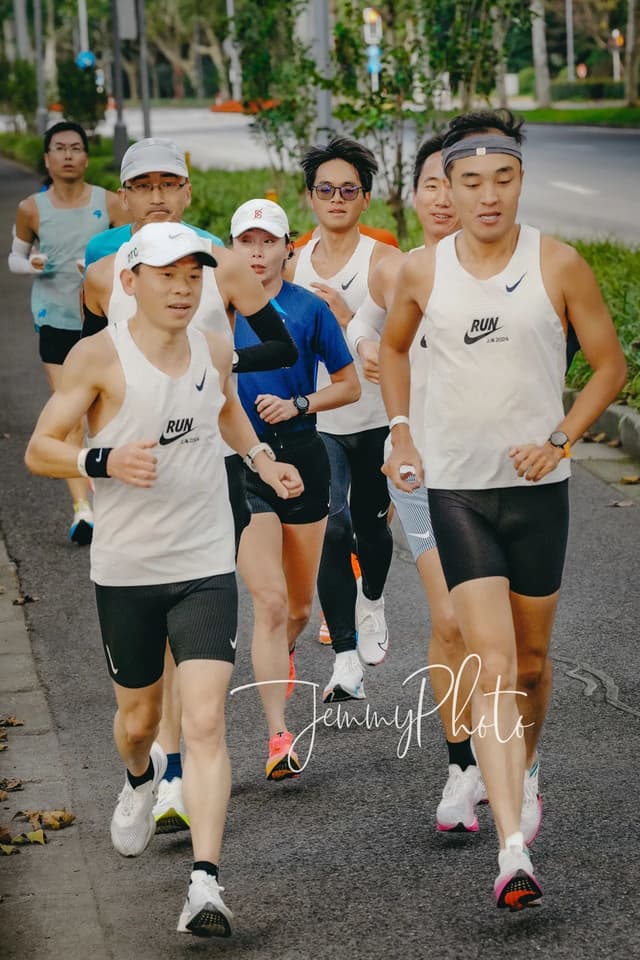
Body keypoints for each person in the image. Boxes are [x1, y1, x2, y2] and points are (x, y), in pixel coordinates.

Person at [24, 222, 304, 937]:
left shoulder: (214, 349)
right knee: (139, 720)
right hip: (126, 570)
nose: (183, 288)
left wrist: (264, 460)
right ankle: (140, 779)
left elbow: (230, 417)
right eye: (167, 275)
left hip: (205, 559)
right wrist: (103, 462)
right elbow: (40, 448)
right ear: (131, 283)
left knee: (207, 718)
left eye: (193, 276)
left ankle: (205, 884)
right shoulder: (98, 357)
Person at [379, 109, 626, 910]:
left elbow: (609, 368)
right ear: (445, 187)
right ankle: (513, 850)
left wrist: (559, 440)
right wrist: (403, 431)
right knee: (489, 663)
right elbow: (391, 349)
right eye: (471, 181)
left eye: (504, 179)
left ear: (521, 181)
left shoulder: (559, 264)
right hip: (456, 488)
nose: (488, 196)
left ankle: (525, 764)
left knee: (528, 665)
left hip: (538, 496)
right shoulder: (423, 271)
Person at [81, 139, 299, 832]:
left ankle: (182, 777)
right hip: (136, 482)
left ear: (188, 190)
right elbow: (90, 369)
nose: (155, 197)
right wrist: (99, 455)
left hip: (211, 458)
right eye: (140, 186)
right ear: (122, 198)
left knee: (198, 632)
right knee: (153, 669)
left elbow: (282, 344)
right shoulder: (99, 274)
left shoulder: (224, 262)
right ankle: (160, 771)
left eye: (168, 184)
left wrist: (217, 366)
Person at [347, 134, 489, 834]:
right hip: (420, 469)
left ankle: (511, 755)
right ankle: (462, 762)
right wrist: (368, 347)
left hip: (493, 474)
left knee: (507, 635)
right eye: (429, 184)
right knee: (451, 619)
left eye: (449, 183)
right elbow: (359, 327)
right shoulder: (402, 270)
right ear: (418, 194)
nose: (440, 196)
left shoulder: (497, 270)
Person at [231, 198, 360, 778]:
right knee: (271, 601)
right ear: (234, 249)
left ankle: (281, 652)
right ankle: (278, 737)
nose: (257, 253)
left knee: (300, 607)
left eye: (268, 242)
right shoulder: (216, 308)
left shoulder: (309, 309)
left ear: (288, 247)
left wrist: (298, 403)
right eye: (246, 242)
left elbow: (350, 385)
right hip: (239, 464)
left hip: (304, 456)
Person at [286, 135, 402, 701]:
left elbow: (406, 333)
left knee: (370, 526)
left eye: (348, 190)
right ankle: (345, 658)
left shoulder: (383, 260)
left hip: (377, 417)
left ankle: (373, 601)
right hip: (320, 419)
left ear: (365, 198)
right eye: (325, 189)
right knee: (331, 528)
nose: (336, 198)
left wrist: (349, 315)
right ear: (310, 196)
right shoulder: (292, 262)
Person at [9, 121, 127, 544]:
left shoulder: (111, 203)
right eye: (59, 149)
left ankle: (113, 491)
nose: (68, 156)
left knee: (108, 410)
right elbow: (15, 260)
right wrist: (34, 264)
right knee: (72, 414)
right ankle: (84, 511)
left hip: (102, 322)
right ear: (48, 158)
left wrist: (99, 268)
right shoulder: (31, 209)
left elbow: (130, 253)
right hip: (55, 321)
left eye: (76, 148)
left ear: (85, 156)